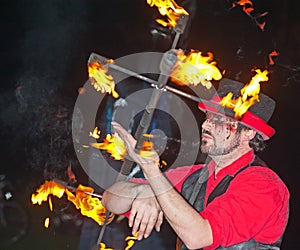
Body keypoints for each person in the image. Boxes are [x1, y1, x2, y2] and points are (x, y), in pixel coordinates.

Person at [102, 78, 290, 249]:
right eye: (208, 117)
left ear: (248, 133)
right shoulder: (195, 176)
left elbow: (199, 237)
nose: (205, 125)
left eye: (219, 120)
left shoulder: (264, 185)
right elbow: (111, 199)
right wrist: (146, 191)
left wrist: (151, 170)